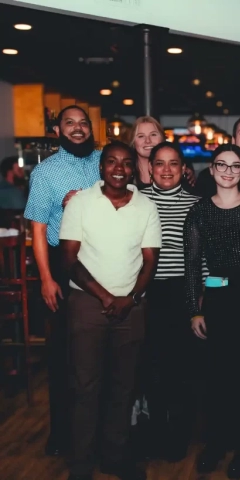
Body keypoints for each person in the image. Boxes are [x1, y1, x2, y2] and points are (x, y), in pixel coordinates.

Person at [60, 141, 161, 480]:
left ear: (134, 168)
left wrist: (130, 298)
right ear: (101, 167)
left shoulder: (146, 206)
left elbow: (151, 261)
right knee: (86, 386)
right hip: (87, 305)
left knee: (124, 387)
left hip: (131, 307)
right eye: (112, 162)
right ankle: (81, 462)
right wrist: (104, 296)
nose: (119, 168)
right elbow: (69, 260)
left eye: (127, 162)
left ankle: (114, 457)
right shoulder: (81, 203)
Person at [184, 143, 240, 479]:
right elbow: (192, 264)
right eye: (221, 165)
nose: (227, 171)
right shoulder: (199, 212)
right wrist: (194, 310)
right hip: (219, 299)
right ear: (212, 170)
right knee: (216, 375)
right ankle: (216, 443)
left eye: (234, 166)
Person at [24, 105, 101, 456]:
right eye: (70, 123)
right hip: (64, 264)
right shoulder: (45, 172)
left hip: (108, 262)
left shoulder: (106, 160)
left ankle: (101, 433)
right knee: (65, 354)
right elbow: (38, 229)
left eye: (83, 123)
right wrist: (45, 278)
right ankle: (63, 436)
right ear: (57, 131)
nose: (78, 128)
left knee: (103, 352)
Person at [139, 142, 200, 461]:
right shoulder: (135, 200)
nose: (166, 169)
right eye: (159, 163)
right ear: (149, 167)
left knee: (182, 369)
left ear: (183, 168)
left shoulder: (198, 204)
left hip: (184, 294)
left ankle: (178, 435)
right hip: (145, 294)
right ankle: (156, 431)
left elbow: (205, 261)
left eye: (173, 163)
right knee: (151, 368)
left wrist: (204, 297)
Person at [129, 116, 195, 191]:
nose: (148, 141)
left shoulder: (182, 172)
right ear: (133, 142)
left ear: (162, 138)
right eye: (141, 136)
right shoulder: (125, 172)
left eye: (153, 134)